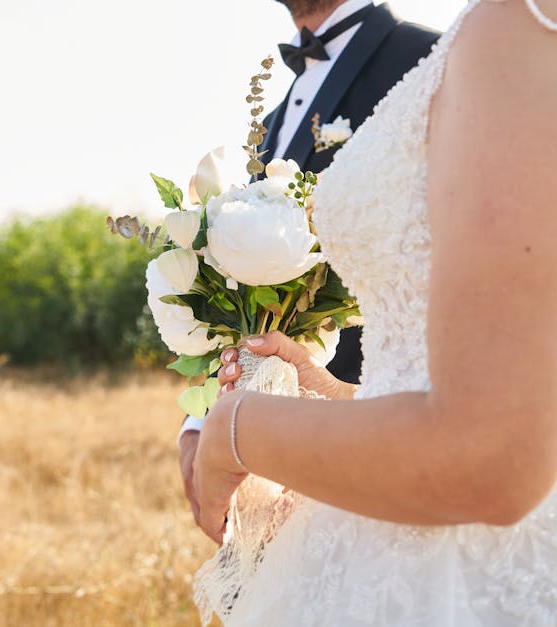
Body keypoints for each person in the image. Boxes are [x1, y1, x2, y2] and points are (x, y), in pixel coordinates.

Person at [191, 0, 557, 624]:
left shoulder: (532, 27)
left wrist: (232, 431)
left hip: (480, 586)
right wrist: (348, 399)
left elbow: (492, 454)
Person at [178, 0, 439, 531]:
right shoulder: (275, 120)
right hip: (277, 480)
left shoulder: (434, 62)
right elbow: (246, 290)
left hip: (392, 462)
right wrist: (199, 422)